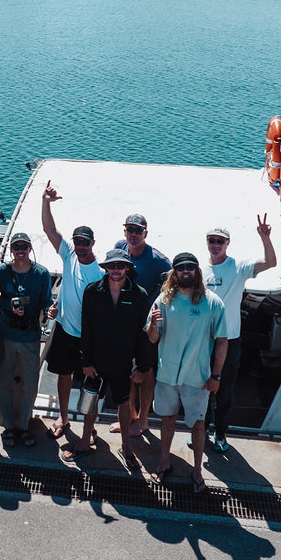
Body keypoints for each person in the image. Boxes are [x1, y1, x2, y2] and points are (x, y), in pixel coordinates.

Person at [147, 252, 227, 494]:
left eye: (190, 268)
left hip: (198, 379)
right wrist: (152, 323)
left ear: (197, 271)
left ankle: (197, 471)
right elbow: (153, 338)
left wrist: (216, 376)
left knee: (198, 425)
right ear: (174, 272)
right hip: (167, 376)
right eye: (180, 268)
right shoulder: (163, 300)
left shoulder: (213, 303)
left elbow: (222, 341)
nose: (185, 271)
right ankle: (164, 461)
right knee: (167, 419)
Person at [69, 250, 151, 467]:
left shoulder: (139, 295)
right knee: (91, 401)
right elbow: (85, 328)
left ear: (127, 268)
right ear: (106, 268)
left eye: (120, 266)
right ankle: (85, 441)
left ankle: (126, 447)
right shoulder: (92, 291)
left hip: (123, 362)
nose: (116, 270)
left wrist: (142, 366)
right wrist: (86, 361)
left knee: (123, 404)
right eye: (112, 266)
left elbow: (144, 334)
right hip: (95, 361)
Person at [201, 215, 276, 452]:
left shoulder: (238, 267)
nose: (215, 245)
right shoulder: (199, 270)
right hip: (203, 341)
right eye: (212, 240)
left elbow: (270, 263)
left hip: (230, 341)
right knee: (200, 390)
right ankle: (200, 431)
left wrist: (265, 238)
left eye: (220, 241)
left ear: (227, 243)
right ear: (207, 242)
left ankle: (220, 434)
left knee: (225, 391)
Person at [41, 180, 102, 440]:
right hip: (65, 330)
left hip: (88, 339)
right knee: (63, 377)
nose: (79, 246)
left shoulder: (100, 274)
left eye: (84, 242)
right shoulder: (68, 255)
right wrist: (45, 201)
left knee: (91, 385)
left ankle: (89, 428)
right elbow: (49, 228)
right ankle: (64, 417)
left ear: (93, 243)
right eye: (77, 241)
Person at [112, 213, 172, 436]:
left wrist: (157, 309)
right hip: (122, 324)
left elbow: (171, 285)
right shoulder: (120, 247)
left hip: (146, 327)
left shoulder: (158, 260)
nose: (133, 235)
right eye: (130, 230)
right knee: (126, 372)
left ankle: (144, 420)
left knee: (146, 374)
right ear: (124, 231)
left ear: (146, 233)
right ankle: (130, 418)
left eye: (138, 231)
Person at [0, 232, 52, 449]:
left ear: (30, 249)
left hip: (30, 337)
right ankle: (8, 426)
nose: (20, 251)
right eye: (16, 247)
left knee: (30, 383)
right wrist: (10, 306)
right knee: (4, 382)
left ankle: (25, 425)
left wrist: (50, 310)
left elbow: (47, 301)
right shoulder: (1, 271)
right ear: (11, 250)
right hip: (6, 335)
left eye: (24, 247)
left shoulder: (41, 273)